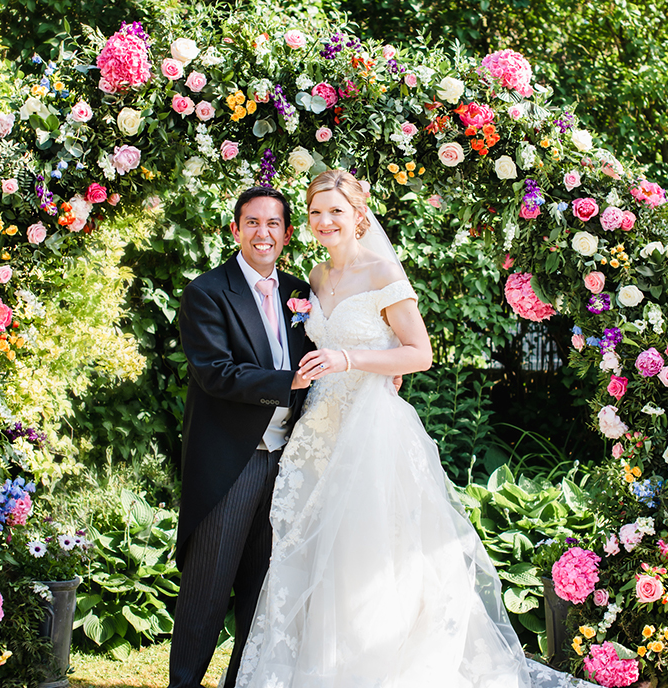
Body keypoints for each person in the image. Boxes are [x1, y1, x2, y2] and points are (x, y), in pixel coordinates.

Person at [235, 170, 592, 688]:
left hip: (371, 429)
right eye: (315, 212)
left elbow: (418, 353)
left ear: (359, 214)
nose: (325, 221)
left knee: (366, 549)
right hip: (319, 428)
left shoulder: (382, 272)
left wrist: (352, 357)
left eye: (336, 210)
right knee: (312, 550)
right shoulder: (312, 277)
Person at [169, 186, 315, 688]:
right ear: (234, 230)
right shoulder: (207, 292)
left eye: (273, 223)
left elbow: (336, 344)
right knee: (206, 594)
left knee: (263, 593)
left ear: (287, 234)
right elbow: (216, 373)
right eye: (252, 222)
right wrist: (287, 381)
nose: (263, 233)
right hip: (234, 462)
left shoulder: (302, 292)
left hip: (290, 463)